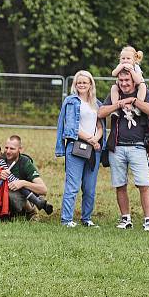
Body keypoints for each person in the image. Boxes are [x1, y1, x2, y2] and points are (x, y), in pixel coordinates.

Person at [98, 68, 149, 232]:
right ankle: (125, 218)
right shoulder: (114, 94)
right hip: (117, 147)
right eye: (121, 81)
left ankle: (148, 220)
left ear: (134, 81)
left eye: (127, 81)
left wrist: (134, 101)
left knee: (143, 184)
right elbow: (101, 112)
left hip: (138, 146)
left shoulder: (144, 93)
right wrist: (117, 104)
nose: (124, 84)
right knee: (120, 184)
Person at [55, 70, 104, 228]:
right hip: (76, 147)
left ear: (91, 84)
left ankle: (87, 218)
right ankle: (66, 219)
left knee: (89, 187)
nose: (82, 85)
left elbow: (100, 126)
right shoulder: (71, 101)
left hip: (94, 149)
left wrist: (96, 140)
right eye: (79, 82)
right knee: (73, 186)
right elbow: (70, 126)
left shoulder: (97, 104)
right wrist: (89, 139)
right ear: (75, 85)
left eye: (85, 82)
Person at [0, 135, 50, 219]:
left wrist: (23, 183)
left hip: (20, 196)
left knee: (10, 194)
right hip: (2, 194)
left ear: (20, 149)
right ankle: (5, 214)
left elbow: (43, 190)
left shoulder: (25, 163)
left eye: (12, 149)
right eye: (6, 147)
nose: (8, 151)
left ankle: (31, 211)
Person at [110, 46, 147, 123]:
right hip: (122, 85)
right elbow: (113, 74)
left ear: (134, 60)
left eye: (128, 58)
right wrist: (121, 67)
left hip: (137, 84)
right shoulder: (120, 65)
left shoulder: (136, 67)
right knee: (114, 87)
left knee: (142, 86)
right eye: (123, 58)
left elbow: (138, 81)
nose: (125, 60)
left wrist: (131, 70)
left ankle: (137, 107)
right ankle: (115, 108)